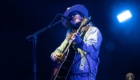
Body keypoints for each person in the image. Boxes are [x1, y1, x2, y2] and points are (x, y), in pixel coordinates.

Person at [50, 4, 102, 80]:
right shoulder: (69, 36)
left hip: (85, 76)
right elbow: (59, 50)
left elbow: (92, 47)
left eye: (74, 14)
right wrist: (54, 55)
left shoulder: (93, 30)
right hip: (69, 76)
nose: (72, 17)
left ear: (82, 16)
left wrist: (80, 42)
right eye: (70, 17)